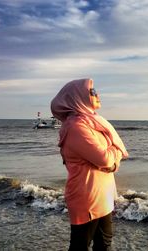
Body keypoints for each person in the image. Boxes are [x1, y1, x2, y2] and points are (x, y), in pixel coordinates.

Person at [50, 78, 128, 251]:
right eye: (92, 92)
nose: (97, 94)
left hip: (101, 194)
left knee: (104, 243)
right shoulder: (77, 127)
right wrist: (115, 155)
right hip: (88, 197)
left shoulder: (91, 123)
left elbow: (107, 158)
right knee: (80, 246)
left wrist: (112, 157)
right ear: (78, 97)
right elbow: (106, 159)